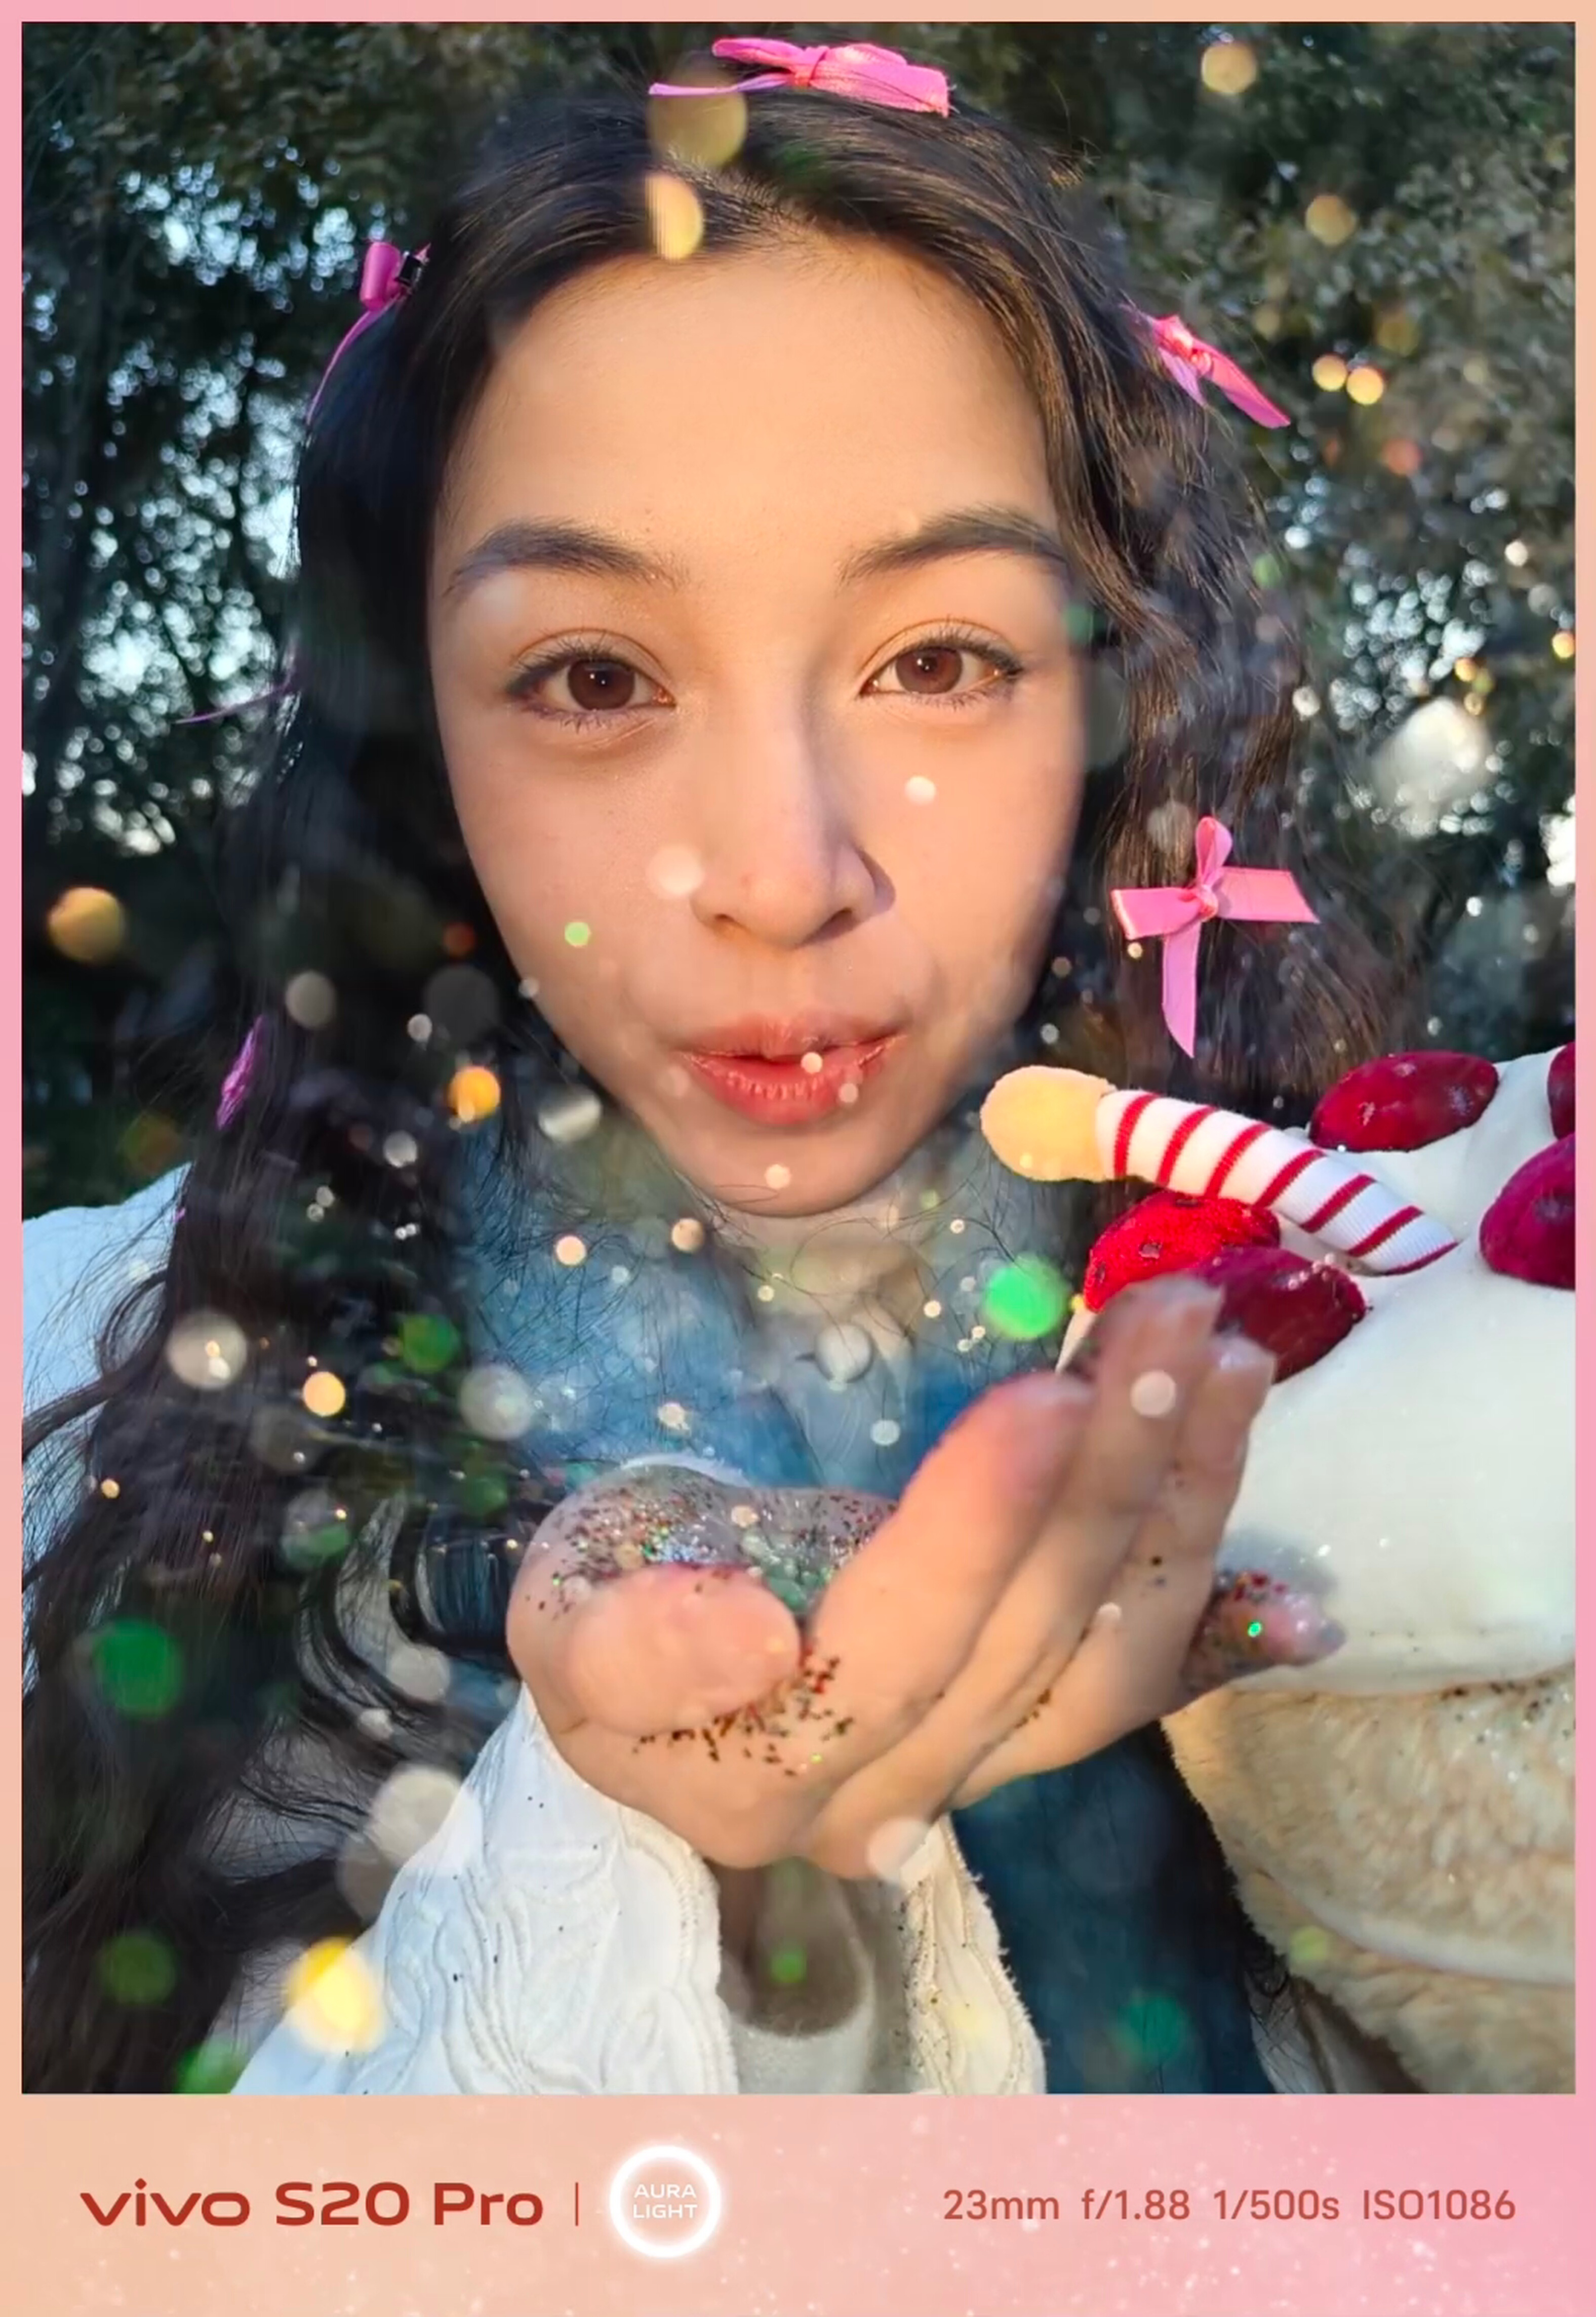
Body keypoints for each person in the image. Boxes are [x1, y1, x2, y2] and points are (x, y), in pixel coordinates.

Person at [22, 41, 1403, 2096]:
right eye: (591, 676)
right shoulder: (65, 1405)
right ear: (424, 750)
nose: (782, 873)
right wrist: (679, 1885)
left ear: (1117, 699)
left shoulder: (1415, 1341)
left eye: (939, 660)